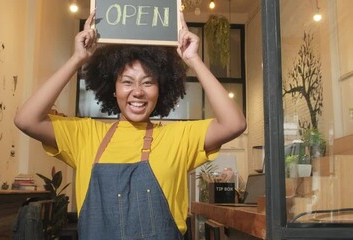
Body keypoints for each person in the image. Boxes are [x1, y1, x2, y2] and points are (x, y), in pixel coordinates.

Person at [14, 11, 246, 240]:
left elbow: (234, 124)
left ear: (160, 90)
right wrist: (77, 59)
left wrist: (193, 59)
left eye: (148, 82)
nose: (137, 92)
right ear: (113, 89)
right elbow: (26, 120)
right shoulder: (84, 134)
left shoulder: (179, 136)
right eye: (127, 82)